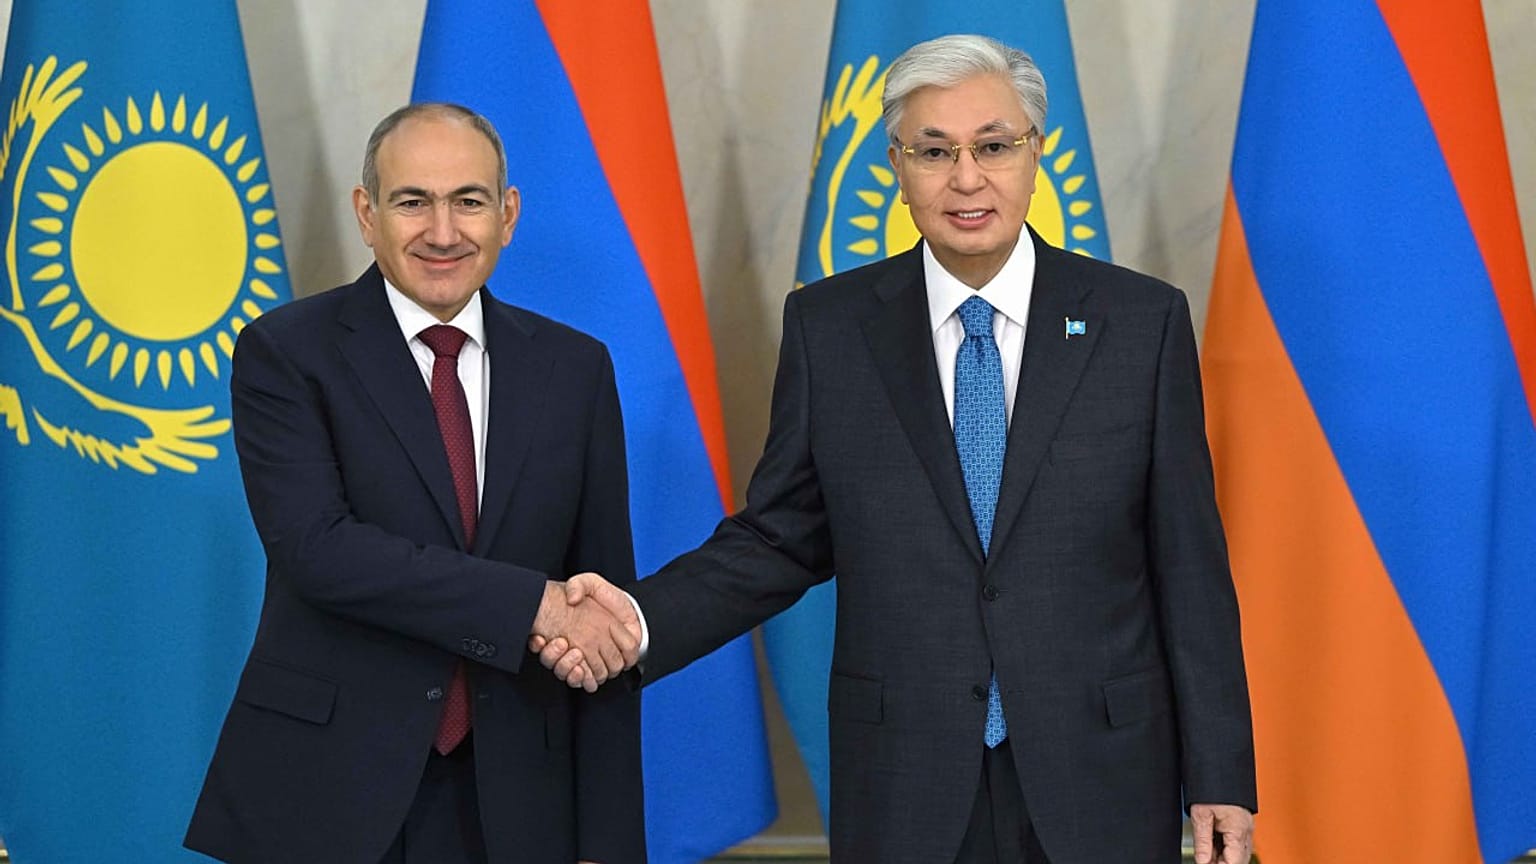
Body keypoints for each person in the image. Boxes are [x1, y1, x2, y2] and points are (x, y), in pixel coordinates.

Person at [542, 34, 1256, 864]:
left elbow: (1189, 567)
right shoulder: (831, 328)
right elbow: (779, 539)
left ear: (1035, 152)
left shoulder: (1139, 324)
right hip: (906, 782)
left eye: (993, 146)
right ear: (896, 165)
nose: (966, 178)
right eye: (934, 151)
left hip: (1102, 775)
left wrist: (1221, 775)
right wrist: (635, 620)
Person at [185, 103, 644, 864]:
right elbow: (320, 551)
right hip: (330, 790)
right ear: (367, 214)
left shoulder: (575, 369)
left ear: (508, 215)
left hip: (521, 799)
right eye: (412, 201)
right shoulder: (287, 353)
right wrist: (531, 603)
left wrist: (608, 840)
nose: (442, 231)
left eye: (468, 200)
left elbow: (600, 605)